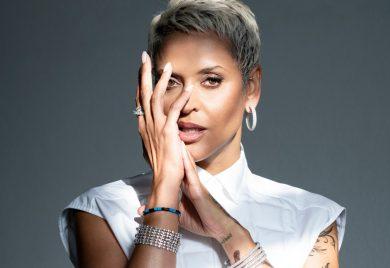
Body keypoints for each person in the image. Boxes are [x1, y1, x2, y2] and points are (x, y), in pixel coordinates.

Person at [58, 0, 347, 267]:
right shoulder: (104, 209)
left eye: (211, 80)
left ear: (252, 88)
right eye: (171, 82)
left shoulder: (310, 218)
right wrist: (164, 199)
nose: (187, 103)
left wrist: (229, 231)